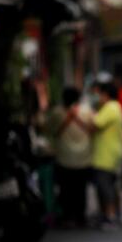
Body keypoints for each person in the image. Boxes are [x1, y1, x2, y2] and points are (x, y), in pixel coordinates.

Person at [75, 82, 122, 229]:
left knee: (105, 188)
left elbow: (95, 124)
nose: (98, 97)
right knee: (109, 187)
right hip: (109, 154)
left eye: (99, 94)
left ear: (105, 94)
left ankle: (110, 216)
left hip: (105, 155)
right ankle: (110, 215)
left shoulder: (111, 107)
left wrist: (81, 116)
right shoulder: (115, 107)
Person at [47, 87, 93, 227]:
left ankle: (67, 216)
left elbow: (50, 129)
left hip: (64, 158)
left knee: (65, 189)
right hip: (84, 158)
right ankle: (80, 217)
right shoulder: (86, 111)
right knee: (81, 189)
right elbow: (93, 128)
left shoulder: (56, 112)